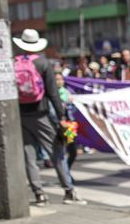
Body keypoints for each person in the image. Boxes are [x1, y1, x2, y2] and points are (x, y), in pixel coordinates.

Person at [13, 29, 85, 206]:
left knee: (29, 156)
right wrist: (61, 116)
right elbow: (53, 93)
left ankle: (39, 195)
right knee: (57, 152)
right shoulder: (43, 63)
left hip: (21, 115)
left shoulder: (13, 63)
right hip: (41, 114)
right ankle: (68, 191)